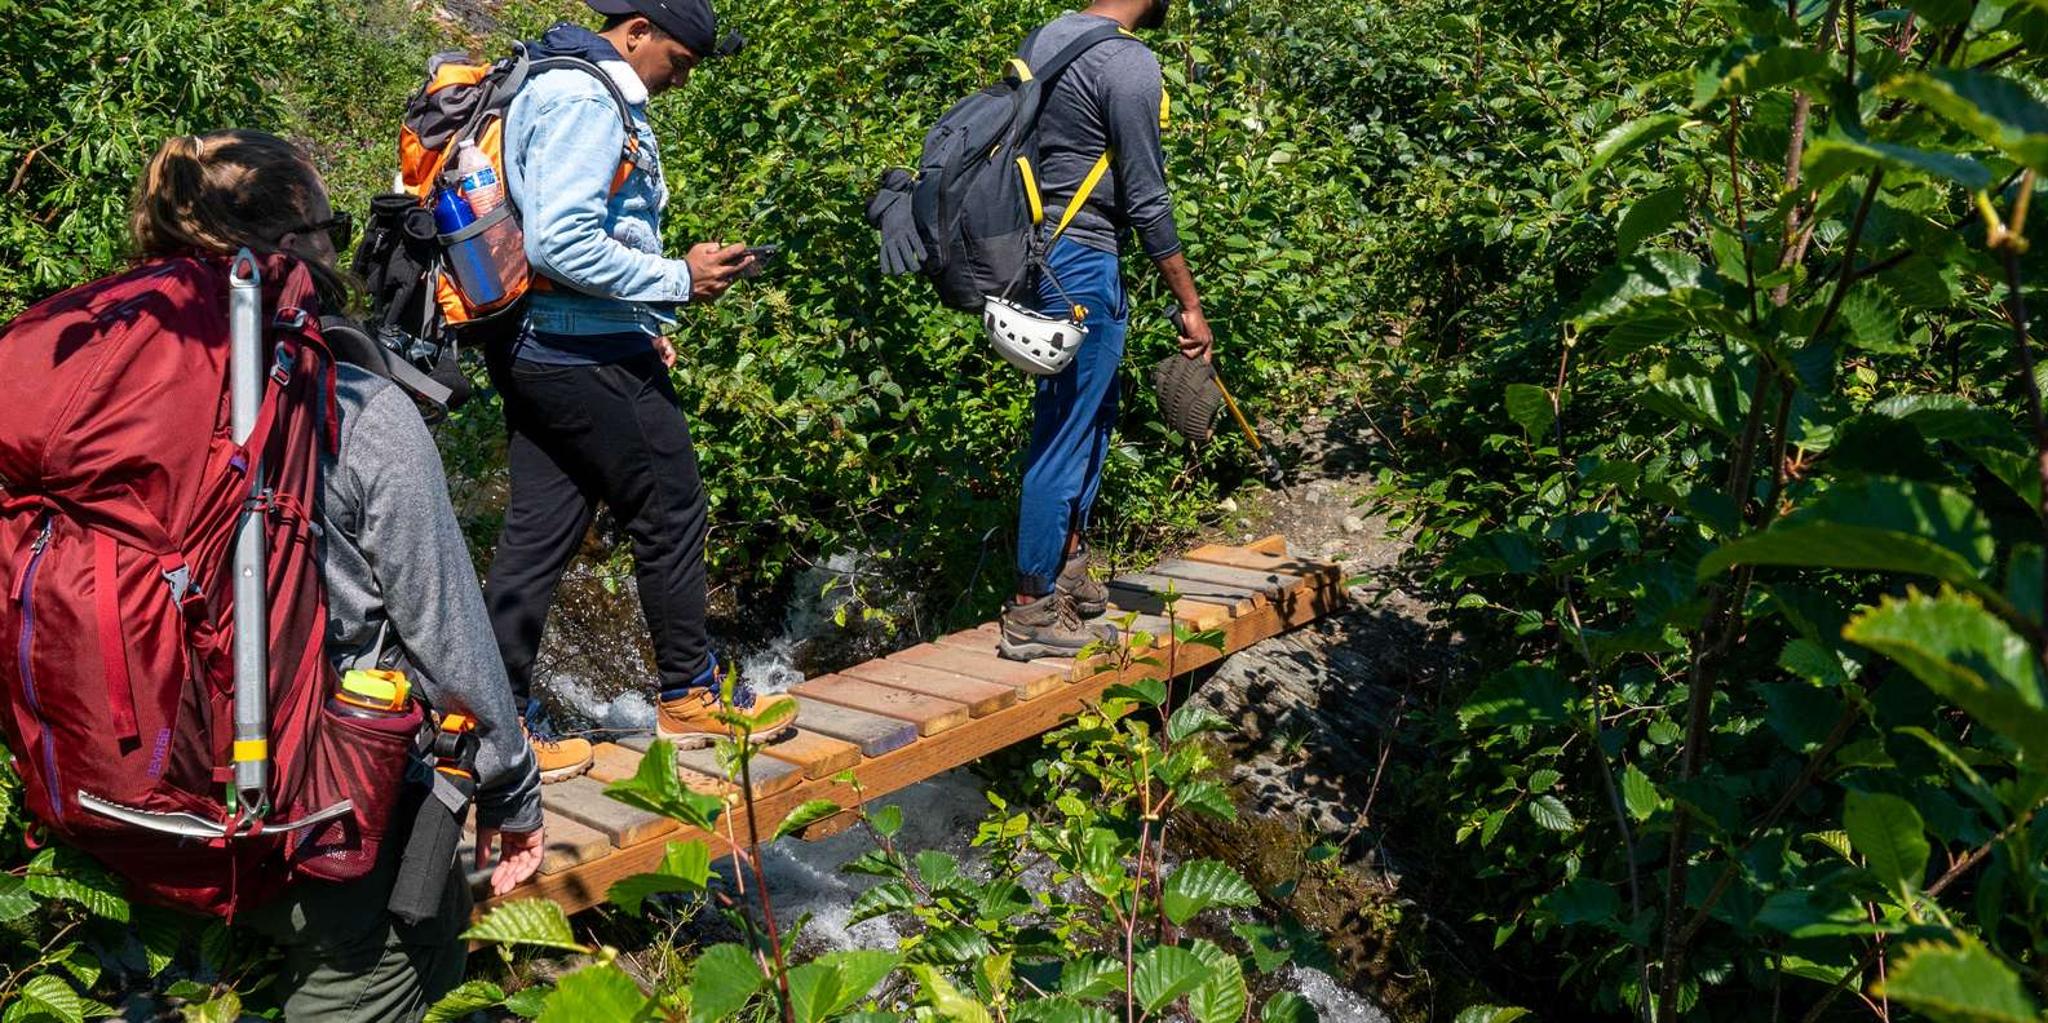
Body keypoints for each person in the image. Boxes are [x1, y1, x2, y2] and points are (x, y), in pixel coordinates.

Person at [128, 130, 546, 1021]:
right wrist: (512, 786)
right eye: (333, 228)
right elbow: (448, 637)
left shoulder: (114, 405)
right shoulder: (357, 410)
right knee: (396, 970)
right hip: (329, 828)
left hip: (146, 809)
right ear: (296, 247)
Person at [488, 0, 792, 776]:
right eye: (678, 62)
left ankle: (488, 728)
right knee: (671, 508)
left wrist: (640, 313)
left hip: (548, 341)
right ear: (635, 33)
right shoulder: (586, 98)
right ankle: (689, 694)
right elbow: (560, 242)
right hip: (580, 351)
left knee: (538, 537)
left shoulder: (556, 82)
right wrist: (678, 278)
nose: (679, 81)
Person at [998, 0, 1216, 660]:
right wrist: (1189, 303)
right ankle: (1032, 608)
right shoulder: (1127, 61)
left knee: (1090, 416)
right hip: (1080, 259)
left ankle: (1068, 570)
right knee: (1066, 431)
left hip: (1041, 252)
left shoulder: (1046, 38)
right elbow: (1147, 197)